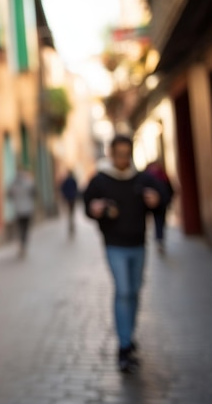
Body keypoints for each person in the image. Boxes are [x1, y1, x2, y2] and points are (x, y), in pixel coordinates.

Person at [84, 134, 165, 373]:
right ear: (111, 153)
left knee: (136, 291)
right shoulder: (100, 179)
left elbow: (165, 196)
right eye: (118, 154)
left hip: (139, 243)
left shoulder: (142, 178)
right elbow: (87, 204)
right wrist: (95, 209)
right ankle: (124, 346)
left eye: (126, 154)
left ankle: (128, 333)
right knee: (124, 291)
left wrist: (157, 200)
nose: (122, 159)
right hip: (114, 244)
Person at [144, 160, 174, 253]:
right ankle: (159, 238)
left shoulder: (151, 176)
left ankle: (159, 238)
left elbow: (169, 189)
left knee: (159, 222)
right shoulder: (159, 176)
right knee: (159, 222)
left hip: (161, 204)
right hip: (158, 204)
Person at [8, 168, 36, 256]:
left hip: (18, 209)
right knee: (26, 228)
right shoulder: (28, 183)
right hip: (27, 209)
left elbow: (9, 195)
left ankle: (21, 243)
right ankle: (24, 244)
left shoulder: (13, 184)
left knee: (20, 227)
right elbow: (34, 193)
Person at [60, 170, 79, 236]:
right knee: (71, 211)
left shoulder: (66, 181)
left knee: (69, 211)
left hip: (68, 198)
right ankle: (71, 222)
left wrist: (65, 195)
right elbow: (76, 188)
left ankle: (70, 222)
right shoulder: (72, 180)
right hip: (72, 197)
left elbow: (62, 188)